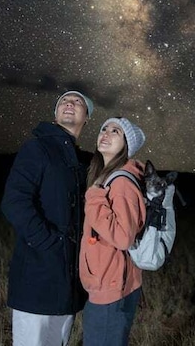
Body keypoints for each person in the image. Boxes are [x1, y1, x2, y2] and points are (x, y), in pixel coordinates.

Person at [1, 90, 95, 346]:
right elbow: (14, 201)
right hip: (38, 276)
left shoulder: (81, 161)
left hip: (68, 285)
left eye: (78, 102)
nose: (70, 104)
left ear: (86, 117)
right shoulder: (37, 148)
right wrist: (47, 243)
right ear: (55, 114)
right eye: (64, 101)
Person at [79, 117, 147, 346]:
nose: (106, 133)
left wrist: (94, 198)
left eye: (115, 131)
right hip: (109, 282)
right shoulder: (108, 176)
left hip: (112, 289)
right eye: (104, 129)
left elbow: (123, 237)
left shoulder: (121, 184)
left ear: (126, 143)